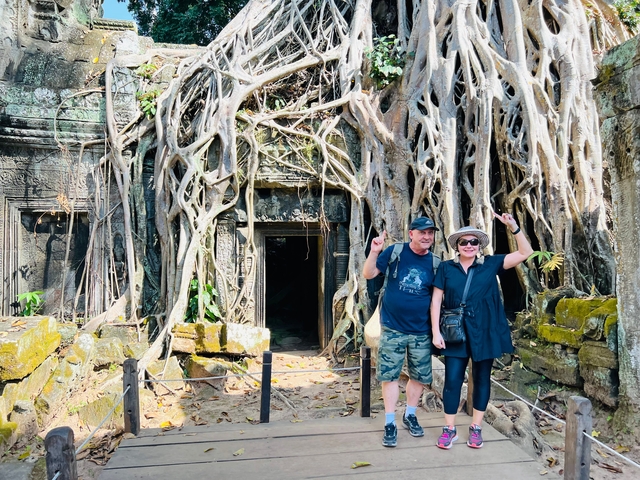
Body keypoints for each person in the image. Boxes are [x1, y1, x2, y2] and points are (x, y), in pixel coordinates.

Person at [430, 212, 533, 450]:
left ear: (479, 245)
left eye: (473, 241)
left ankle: (476, 427)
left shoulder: (490, 264)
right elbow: (436, 301)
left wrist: (514, 227)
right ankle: (450, 429)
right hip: (455, 332)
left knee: (482, 379)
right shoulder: (446, 268)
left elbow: (525, 253)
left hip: (484, 330)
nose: (469, 245)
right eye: (464, 242)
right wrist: (436, 332)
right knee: (453, 380)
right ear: (457, 245)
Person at [363, 217, 439, 447]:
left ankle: (410, 414)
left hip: (421, 331)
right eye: (422, 232)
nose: (427, 237)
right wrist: (375, 251)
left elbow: (437, 299)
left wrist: (436, 331)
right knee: (390, 375)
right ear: (411, 233)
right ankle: (389, 421)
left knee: (419, 376)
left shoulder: (436, 263)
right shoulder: (395, 252)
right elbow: (368, 274)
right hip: (393, 328)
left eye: (431, 233)